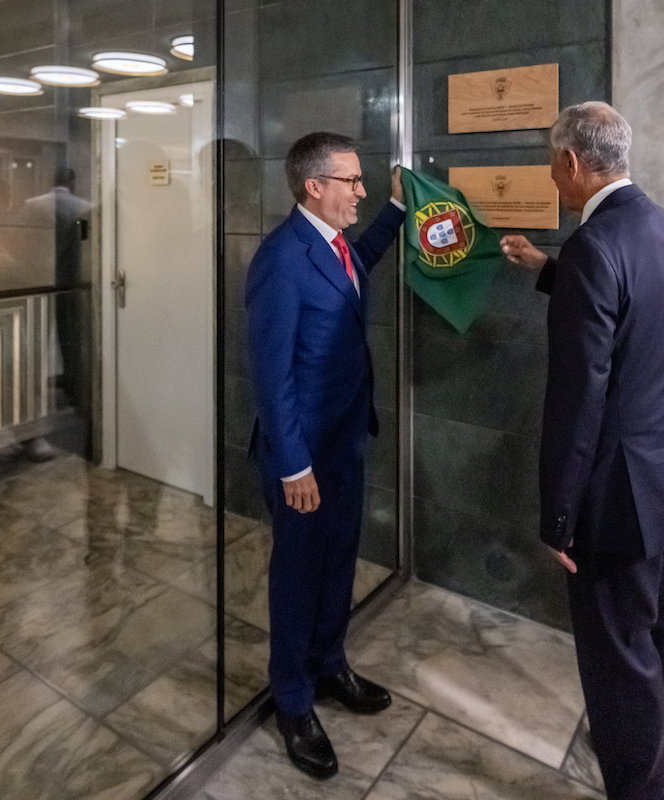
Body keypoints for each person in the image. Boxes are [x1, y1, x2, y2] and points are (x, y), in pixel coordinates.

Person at [501, 102, 664, 800]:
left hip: (616, 496)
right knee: (651, 641)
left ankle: (647, 788)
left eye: (549, 162)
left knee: (617, 661)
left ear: (570, 163)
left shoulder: (596, 246)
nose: (551, 175)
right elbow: (634, 311)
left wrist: (558, 517)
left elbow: (578, 398)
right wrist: (546, 267)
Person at [244, 132, 405, 779]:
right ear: (314, 186)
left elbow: (358, 265)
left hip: (345, 442)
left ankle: (330, 663)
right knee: (298, 576)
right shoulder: (280, 261)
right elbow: (269, 374)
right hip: (302, 457)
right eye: (353, 182)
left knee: (340, 560)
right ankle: (293, 700)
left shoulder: (335, 246)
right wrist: (293, 466)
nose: (360, 192)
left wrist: (394, 211)